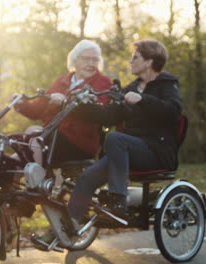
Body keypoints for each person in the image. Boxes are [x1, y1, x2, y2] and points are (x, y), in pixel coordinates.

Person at [68, 40, 182, 227]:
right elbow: (107, 116)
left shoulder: (167, 84)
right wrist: (78, 108)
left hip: (157, 152)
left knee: (115, 138)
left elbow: (173, 112)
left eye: (135, 57)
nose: (130, 61)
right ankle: (70, 226)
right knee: (87, 177)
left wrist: (143, 99)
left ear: (149, 61)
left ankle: (118, 203)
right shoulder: (130, 89)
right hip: (129, 151)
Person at [12, 39, 112, 165]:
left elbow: (97, 110)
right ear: (74, 60)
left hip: (78, 143)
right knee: (14, 159)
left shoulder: (103, 82)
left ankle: (37, 183)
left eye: (95, 60)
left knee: (33, 135)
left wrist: (65, 102)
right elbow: (37, 110)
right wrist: (20, 103)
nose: (91, 64)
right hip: (49, 138)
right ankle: (5, 183)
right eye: (86, 59)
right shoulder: (62, 81)